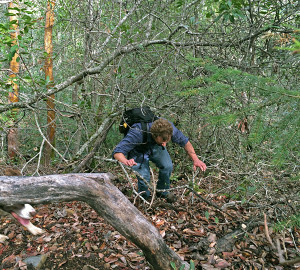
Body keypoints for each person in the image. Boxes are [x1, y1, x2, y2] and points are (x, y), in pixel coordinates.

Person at [113, 118, 206, 202]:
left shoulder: (170, 129)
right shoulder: (137, 132)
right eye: (163, 141)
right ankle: (144, 198)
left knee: (167, 166)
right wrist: (126, 161)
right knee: (144, 176)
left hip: (156, 147)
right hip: (138, 150)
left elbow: (186, 143)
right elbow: (117, 152)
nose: (165, 144)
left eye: (167, 141)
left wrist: (196, 160)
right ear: (154, 135)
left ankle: (163, 192)